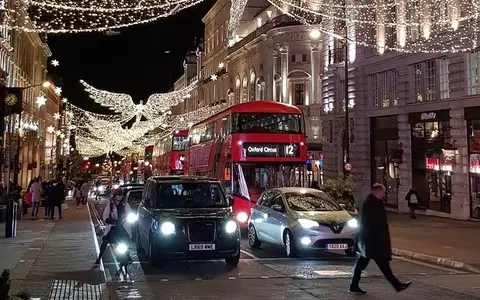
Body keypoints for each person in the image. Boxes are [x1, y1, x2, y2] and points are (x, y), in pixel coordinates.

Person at [349, 183, 411, 295]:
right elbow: (371, 224)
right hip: (372, 242)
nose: (384, 194)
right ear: (376, 192)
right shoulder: (371, 204)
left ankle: (354, 285)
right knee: (383, 265)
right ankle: (397, 285)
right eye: (382, 192)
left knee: (362, 265)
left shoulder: (374, 202)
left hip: (370, 242)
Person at [95, 189, 132, 264]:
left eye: (121, 195)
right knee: (105, 241)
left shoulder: (126, 205)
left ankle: (128, 255)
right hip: (113, 227)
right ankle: (99, 257)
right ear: (115, 196)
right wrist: (111, 221)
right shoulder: (110, 205)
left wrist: (125, 220)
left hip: (123, 227)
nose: (120, 197)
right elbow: (105, 216)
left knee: (127, 240)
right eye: (118, 195)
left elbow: (129, 214)